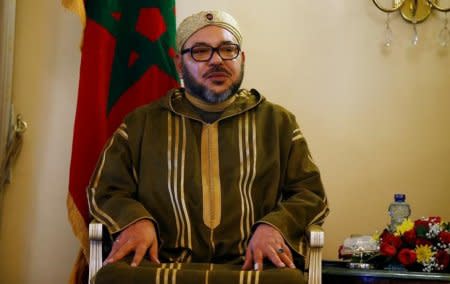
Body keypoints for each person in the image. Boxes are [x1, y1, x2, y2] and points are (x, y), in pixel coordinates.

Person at [88, 10, 329, 284]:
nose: (217, 60)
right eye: (201, 51)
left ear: (242, 58)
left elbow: (310, 193)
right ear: (179, 64)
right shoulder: (142, 123)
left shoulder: (277, 123)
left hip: (253, 265)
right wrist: (134, 220)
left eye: (228, 50)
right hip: (159, 264)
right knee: (114, 278)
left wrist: (275, 227)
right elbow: (106, 189)